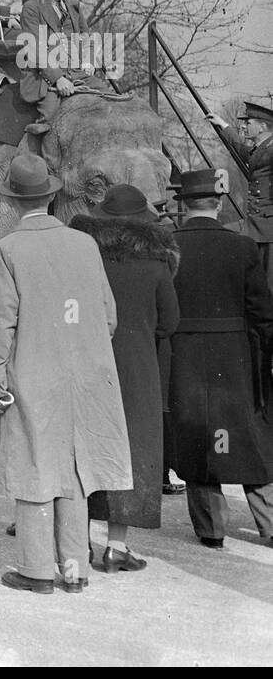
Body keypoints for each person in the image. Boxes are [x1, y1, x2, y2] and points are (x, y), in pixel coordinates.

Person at [0, 154, 133, 594]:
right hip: (86, 375)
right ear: (51, 195)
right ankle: (75, 567)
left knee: (34, 467)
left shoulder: (7, 249)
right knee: (76, 469)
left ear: (10, 201)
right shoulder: (85, 245)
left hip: (32, 373)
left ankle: (36, 569)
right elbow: (108, 317)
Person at [68, 185, 180, 572]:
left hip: (87, 365)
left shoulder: (83, 259)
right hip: (138, 370)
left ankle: (77, 544)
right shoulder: (156, 264)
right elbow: (170, 322)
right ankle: (116, 547)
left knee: (83, 451)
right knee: (133, 452)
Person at [166, 168, 273, 548]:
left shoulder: (169, 244)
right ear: (218, 202)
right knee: (245, 435)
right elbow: (262, 311)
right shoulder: (243, 246)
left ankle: (211, 529)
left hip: (185, 353)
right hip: (235, 355)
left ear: (184, 203)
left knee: (197, 435)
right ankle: (269, 523)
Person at [16, 0, 106, 138]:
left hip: (75, 72)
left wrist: (89, 62)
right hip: (43, 77)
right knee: (50, 120)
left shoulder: (73, 6)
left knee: (108, 99)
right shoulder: (32, 8)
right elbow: (35, 50)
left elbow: (86, 37)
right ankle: (33, 160)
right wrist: (58, 78)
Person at [205, 100, 273, 292]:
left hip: (268, 228)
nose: (244, 125)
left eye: (248, 122)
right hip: (259, 225)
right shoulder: (262, 148)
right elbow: (245, 152)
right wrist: (223, 125)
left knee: (268, 284)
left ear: (262, 126)